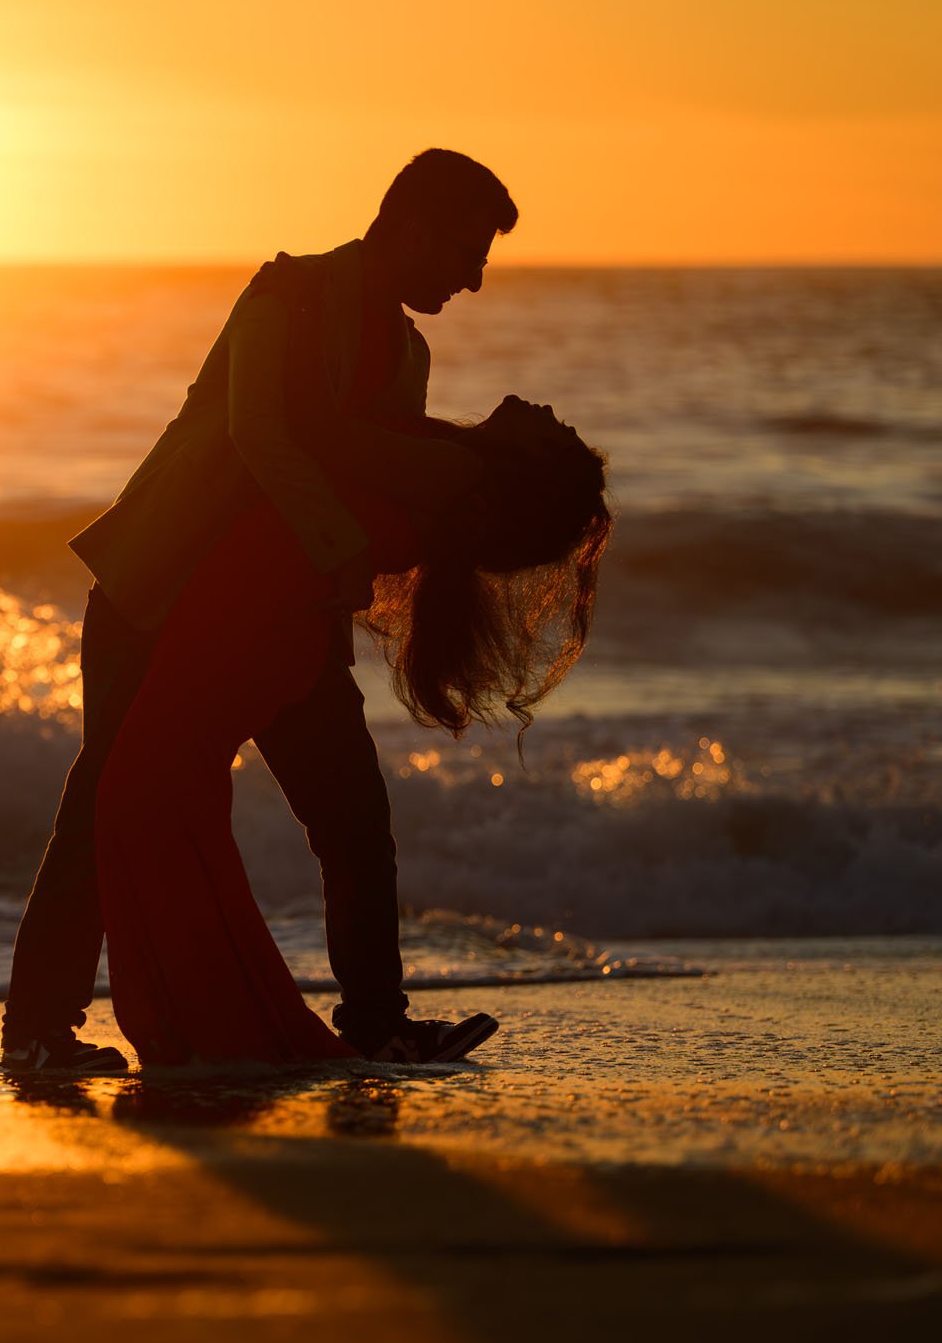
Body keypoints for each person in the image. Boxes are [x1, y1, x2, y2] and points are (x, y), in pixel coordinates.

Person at [1, 149, 526, 1074]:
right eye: (467, 251)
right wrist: (339, 553)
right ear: (411, 226)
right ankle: (40, 1029)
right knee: (104, 802)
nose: (474, 278)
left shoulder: (408, 353)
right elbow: (262, 435)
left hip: (284, 620)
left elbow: (376, 469)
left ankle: (376, 1021)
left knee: (354, 814)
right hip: (156, 593)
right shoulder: (284, 296)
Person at [96, 397, 610, 1066]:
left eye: (559, 431)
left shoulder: (451, 470)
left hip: (257, 616)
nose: (549, 408)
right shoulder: (447, 464)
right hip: (276, 620)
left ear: (528, 466)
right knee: (276, 814)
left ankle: (233, 1019)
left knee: (170, 799)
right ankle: (329, 1020)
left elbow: (307, 429)